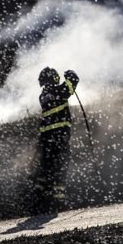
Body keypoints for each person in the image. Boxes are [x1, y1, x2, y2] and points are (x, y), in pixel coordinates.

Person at [33, 66, 80, 212]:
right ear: (54, 78)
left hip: (46, 139)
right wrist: (70, 74)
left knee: (46, 168)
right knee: (60, 166)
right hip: (59, 137)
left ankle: (39, 199)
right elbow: (73, 83)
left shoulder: (43, 96)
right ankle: (58, 201)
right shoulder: (57, 91)